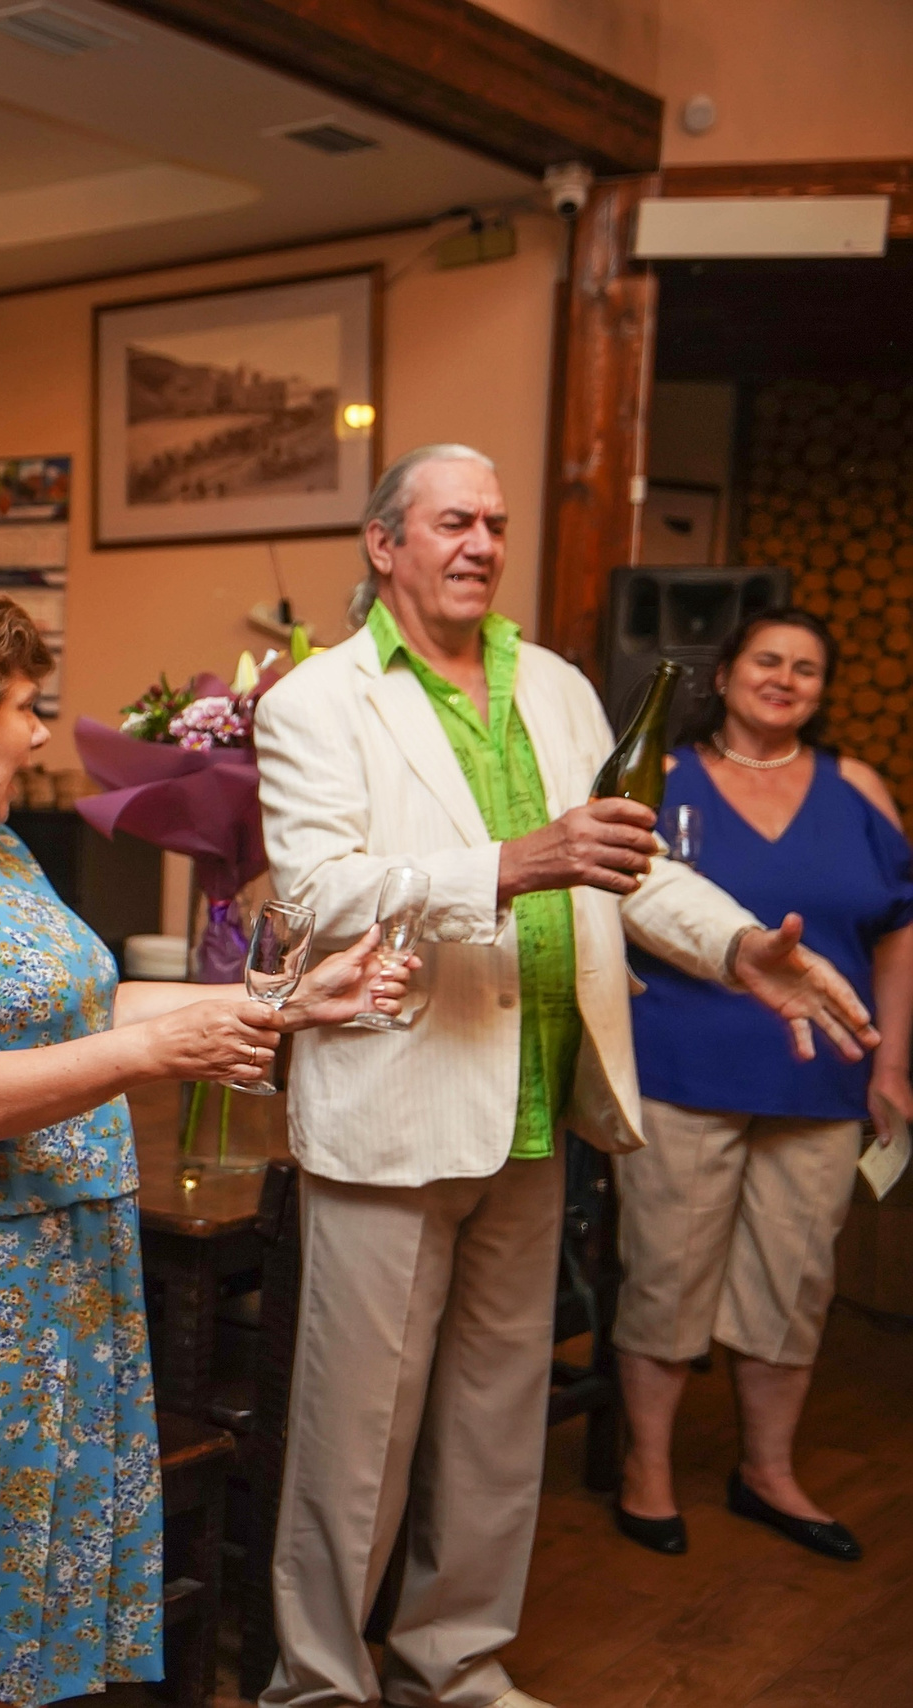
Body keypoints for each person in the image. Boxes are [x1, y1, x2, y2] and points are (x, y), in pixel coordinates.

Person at [251, 444, 876, 1708]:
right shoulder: (315, 702)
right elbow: (315, 897)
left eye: (493, 521)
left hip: (540, 1105)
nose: (480, 542)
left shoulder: (556, 686)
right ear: (385, 546)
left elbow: (626, 863)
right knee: (356, 1437)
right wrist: (502, 863)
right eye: (450, 522)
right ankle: (319, 1683)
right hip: (393, 1103)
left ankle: (454, 1660)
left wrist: (741, 945)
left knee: (492, 1423)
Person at [0, 587, 407, 1708]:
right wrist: (159, 1052)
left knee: (22, 1608)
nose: (38, 735)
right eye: (25, 708)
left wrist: (279, 998)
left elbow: (86, 1000)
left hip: (66, 1270)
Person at [612, 607, 913, 1561]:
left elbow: (900, 927)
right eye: (768, 660)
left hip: (825, 1080)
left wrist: (894, 1063)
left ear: (824, 691)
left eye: (809, 669)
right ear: (729, 671)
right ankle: (647, 1472)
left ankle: (768, 1472)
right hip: (681, 1070)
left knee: (794, 1283)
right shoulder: (666, 777)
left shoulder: (856, 786)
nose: (786, 679)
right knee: (668, 1274)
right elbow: (614, 908)